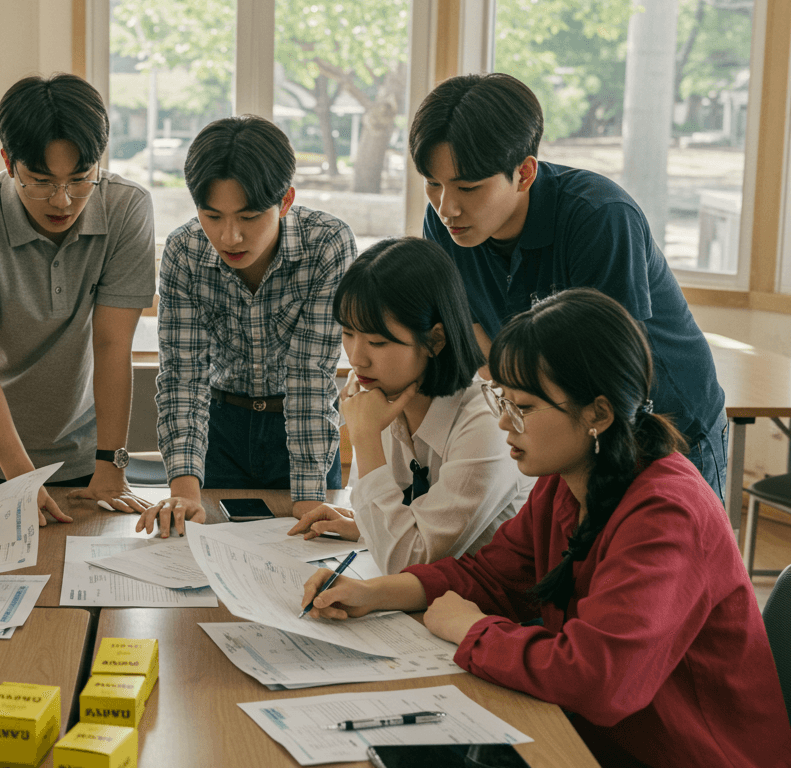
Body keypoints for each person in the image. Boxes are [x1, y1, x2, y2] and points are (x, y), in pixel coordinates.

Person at [303, 288, 791, 767]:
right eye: (503, 400)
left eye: (526, 408)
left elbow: (600, 680)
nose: (505, 425)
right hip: (600, 739)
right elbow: (492, 577)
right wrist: (373, 593)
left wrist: (473, 630)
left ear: (597, 413)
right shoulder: (568, 479)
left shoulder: (667, 513)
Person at [410, 72, 728, 501]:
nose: (447, 207)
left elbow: (614, 372)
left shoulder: (600, 217)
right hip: (564, 427)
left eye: (468, 187)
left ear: (523, 173)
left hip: (666, 426)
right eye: (433, 184)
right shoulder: (445, 225)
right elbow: (469, 330)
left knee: (662, 559)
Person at [0, 74, 155, 526]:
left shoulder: (126, 208)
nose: (62, 200)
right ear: (8, 161)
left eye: (80, 179)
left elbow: (113, 345)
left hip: (80, 447)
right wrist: (21, 479)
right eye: (40, 181)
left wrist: (112, 464)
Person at [138, 115, 354, 538]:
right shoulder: (184, 251)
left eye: (250, 216)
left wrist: (310, 502)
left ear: (285, 200)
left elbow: (311, 376)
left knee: (308, 554)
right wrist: (184, 491)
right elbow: (184, 377)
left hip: (301, 427)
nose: (229, 236)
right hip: (220, 430)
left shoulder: (327, 245)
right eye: (212, 215)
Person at [286, 237, 531, 572]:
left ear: (434, 340)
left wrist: (366, 438)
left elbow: (411, 561)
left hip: (493, 614)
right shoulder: (385, 400)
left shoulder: (486, 425)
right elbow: (414, 527)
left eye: (377, 342)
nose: (357, 358)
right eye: (348, 333)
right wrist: (365, 525)